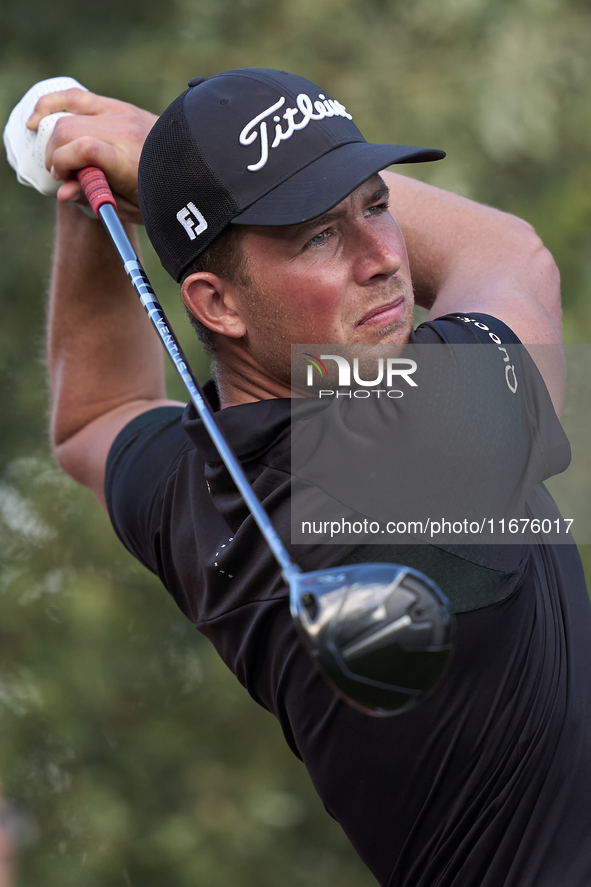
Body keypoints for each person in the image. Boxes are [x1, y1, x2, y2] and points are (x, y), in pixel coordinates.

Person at [25, 69, 591, 886]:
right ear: (216, 304)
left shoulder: (201, 487)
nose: (384, 257)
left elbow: (92, 416)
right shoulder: (417, 437)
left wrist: (87, 195)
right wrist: (150, 153)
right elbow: (509, 254)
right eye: (317, 235)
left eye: (374, 202)